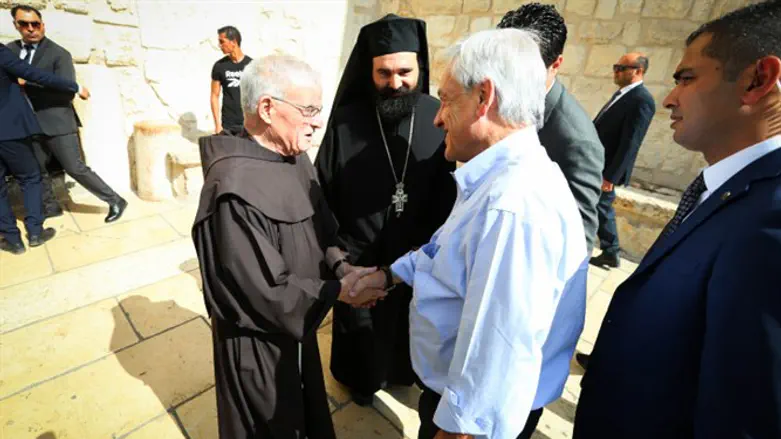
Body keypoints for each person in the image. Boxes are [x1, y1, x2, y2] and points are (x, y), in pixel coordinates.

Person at [350, 28, 589, 439]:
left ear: (484, 98)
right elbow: (447, 250)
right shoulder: (492, 176)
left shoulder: (512, 207)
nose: (438, 117)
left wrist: (457, 431)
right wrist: (389, 275)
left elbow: (498, 346)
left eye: (446, 100)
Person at [573, 2, 781, 438]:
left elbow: (743, 416)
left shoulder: (770, 222)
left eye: (687, 78)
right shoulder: (725, 187)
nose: (669, 98)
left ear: (756, 80)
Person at [191, 54, 382, 439]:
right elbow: (261, 290)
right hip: (259, 344)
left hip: (297, 324)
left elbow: (319, 226)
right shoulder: (232, 188)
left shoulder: (294, 155)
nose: (317, 121)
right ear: (267, 108)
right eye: (308, 109)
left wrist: (341, 267)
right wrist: (338, 292)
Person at [315, 14, 457, 405]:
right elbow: (322, 195)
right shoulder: (346, 123)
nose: (395, 83)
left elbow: (447, 195)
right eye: (384, 73)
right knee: (359, 342)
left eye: (404, 71)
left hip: (415, 259)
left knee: (406, 333)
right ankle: (358, 382)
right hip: (357, 260)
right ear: (370, 71)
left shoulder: (437, 116)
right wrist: (336, 260)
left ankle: (400, 373)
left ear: (419, 68)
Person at [497, 2, 604, 254]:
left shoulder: (577, 141)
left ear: (555, 64)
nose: (512, 76)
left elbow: (578, 241)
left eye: (525, 67)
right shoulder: (505, 99)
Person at [8, 4, 127, 223]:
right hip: (26, 123)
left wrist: (27, 83)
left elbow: (66, 91)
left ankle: (115, 200)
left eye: (35, 24)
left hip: (57, 122)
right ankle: (50, 205)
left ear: (43, 25)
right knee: (36, 169)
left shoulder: (59, 54)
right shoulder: (10, 51)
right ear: (16, 25)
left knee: (75, 168)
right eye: (24, 24)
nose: (31, 29)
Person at [1, 42, 89, 254]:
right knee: (31, 177)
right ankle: (35, 232)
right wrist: (74, 86)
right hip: (9, 129)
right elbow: (34, 74)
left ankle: (13, 240)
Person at [588, 51, 655, 269]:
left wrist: (611, 177)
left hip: (606, 169)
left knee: (602, 207)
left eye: (622, 68)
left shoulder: (641, 100)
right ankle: (610, 251)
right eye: (616, 66)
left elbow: (631, 143)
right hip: (597, 163)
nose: (616, 71)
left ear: (638, 71)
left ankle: (611, 251)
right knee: (600, 208)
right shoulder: (623, 95)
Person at [210, 25, 252, 136]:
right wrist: (217, 125)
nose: (220, 45)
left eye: (222, 41)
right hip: (228, 124)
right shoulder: (219, 66)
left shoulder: (252, 66)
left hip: (249, 123)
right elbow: (214, 95)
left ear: (233, 42)